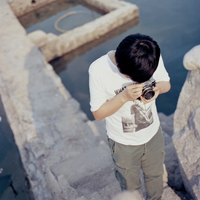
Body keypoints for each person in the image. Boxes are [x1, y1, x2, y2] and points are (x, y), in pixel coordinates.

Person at [88, 33, 171, 200]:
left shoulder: (150, 55)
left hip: (153, 134)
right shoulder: (98, 70)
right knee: (130, 186)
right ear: (121, 69)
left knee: (155, 176)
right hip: (123, 143)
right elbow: (97, 114)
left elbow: (166, 84)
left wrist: (157, 90)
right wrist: (123, 97)